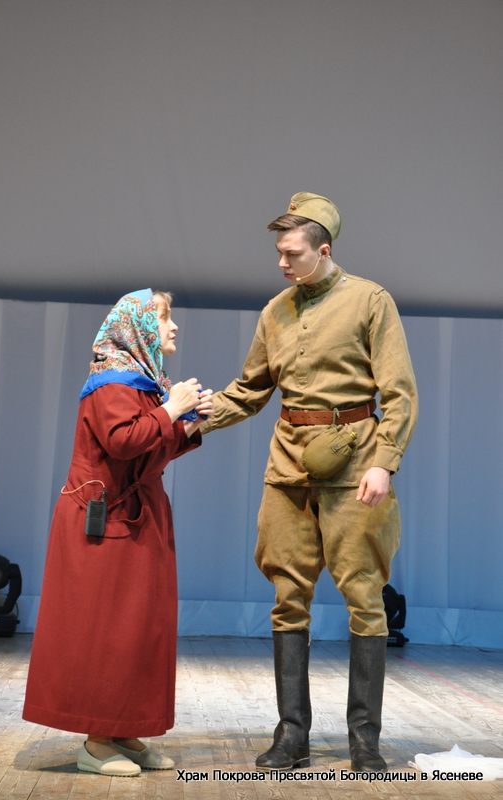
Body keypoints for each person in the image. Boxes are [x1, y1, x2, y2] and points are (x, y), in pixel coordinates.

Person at [201, 193, 418, 772]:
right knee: (286, 599)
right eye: (278, 252)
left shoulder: (370, 300)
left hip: (355, 465)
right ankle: (291, 733)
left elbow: (399, 394)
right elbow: (250, 390)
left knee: (364, 599)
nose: (281, 262)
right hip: (288, 465)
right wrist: (190, 419)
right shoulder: (274, 311)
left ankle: (364, 741)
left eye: (292, 253)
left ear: (323, 250)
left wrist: (384, 461)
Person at [23, 288, 214, 777]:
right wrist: (172, 410)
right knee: (105, 631)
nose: (173, 327)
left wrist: (191, 425)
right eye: (165, 318)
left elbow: (150, 451)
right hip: (103, 522)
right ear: (139, 326)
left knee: (139, 629)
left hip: (137, 519)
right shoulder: (111, 380)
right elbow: (123, 442)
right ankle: (95, 741)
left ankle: (124, 730)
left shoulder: (144, 383)